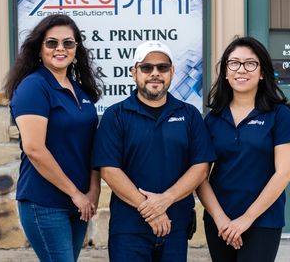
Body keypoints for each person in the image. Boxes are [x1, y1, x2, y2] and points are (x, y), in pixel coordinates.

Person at [92, 40, 216, 262]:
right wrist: (152, 210)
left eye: (162, 67)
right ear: (134, 72)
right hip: (129, 231)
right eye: (146, 67)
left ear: (172, 72)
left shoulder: (189, 115)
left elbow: (200, 168)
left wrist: (165, 200)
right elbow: (109, 170)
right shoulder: (116, 115)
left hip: (175, 229)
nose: (155, 73)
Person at [3, 14, 102, 262]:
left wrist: (92, 190)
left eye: (68, 43)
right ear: (39, 48)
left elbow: (92, 145)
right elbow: (35, 149)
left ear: (76, 49)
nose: (60, 48)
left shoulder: (80, 90)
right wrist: (75, 193)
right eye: (52, 43)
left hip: (79, 203)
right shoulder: (34, 87)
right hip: (45, 202)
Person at [196, 36, 290, 262]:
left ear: (262, 72)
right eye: (234, 63)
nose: (241, 69)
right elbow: (200, 176)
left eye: (250, 63)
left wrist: (247, 219)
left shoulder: (279, 115)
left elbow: (284, 174)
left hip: (263, 220)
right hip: (219, 221)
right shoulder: (212, 120)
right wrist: (221, 218)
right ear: (225, 71)